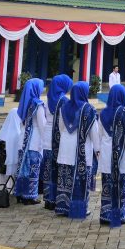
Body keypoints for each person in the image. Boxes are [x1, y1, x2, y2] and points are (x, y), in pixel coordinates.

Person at [54, 81, 100, 219]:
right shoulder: (89, 109)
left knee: (64, 178)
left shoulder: (64, 107)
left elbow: (61, 127)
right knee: (81, 179)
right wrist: (98, 149)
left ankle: (63, 207)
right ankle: (79, 209)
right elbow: (94, 132)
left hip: (65, 147)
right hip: (81, 150)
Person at [0, 78, 47, 205]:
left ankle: (20, 193)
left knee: (23, 170)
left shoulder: (24, 104)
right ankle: (30, 196)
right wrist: (46, 141)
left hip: (23, 141)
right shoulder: (38, 104)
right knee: (33, 170)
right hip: (34, 141)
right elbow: (43, 126)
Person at [99, 84, 125, 226]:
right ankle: (120, 215)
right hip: (121, 155)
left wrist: (98, 150)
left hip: (106, 153)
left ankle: (106, 214)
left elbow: (100, 135)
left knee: (107, 185)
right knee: (120, 185)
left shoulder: (103, 113)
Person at [43, 73, 73, 209]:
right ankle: (57, 199)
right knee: (58, 169)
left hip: (47, 138)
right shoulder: (64, 101)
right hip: (59, 139)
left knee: (50, 169)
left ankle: (48, 198)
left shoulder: (47, 99)